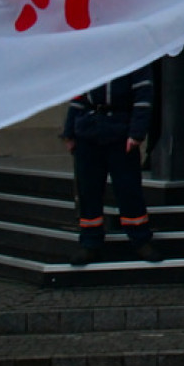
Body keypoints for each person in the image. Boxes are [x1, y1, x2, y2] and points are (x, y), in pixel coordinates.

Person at [62, 66, 162, 266]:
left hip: (120, 131)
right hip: (88, 131)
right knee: (88, 190)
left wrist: (137, 133)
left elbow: (144, 96)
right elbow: (79, 96)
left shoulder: (135, 57)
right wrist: (69, 131)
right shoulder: (93, 58)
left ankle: (140, 239)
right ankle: (90, 242)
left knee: (128, 189)